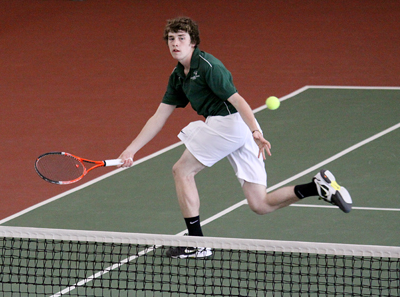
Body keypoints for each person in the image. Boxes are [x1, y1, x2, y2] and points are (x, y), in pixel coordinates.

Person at [117, 17, 352, 258]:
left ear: (193, 42)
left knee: (182, 171)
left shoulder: (209, 66)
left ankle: (196, 242)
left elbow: (238, 100)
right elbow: (159, 116)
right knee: (260, 204)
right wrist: (131, 150)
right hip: (238, 129)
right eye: (171, 39)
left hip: (230, 125)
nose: (175, 43)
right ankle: (317, 186)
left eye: (181, 38)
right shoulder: (178, 76)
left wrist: (256, 132)